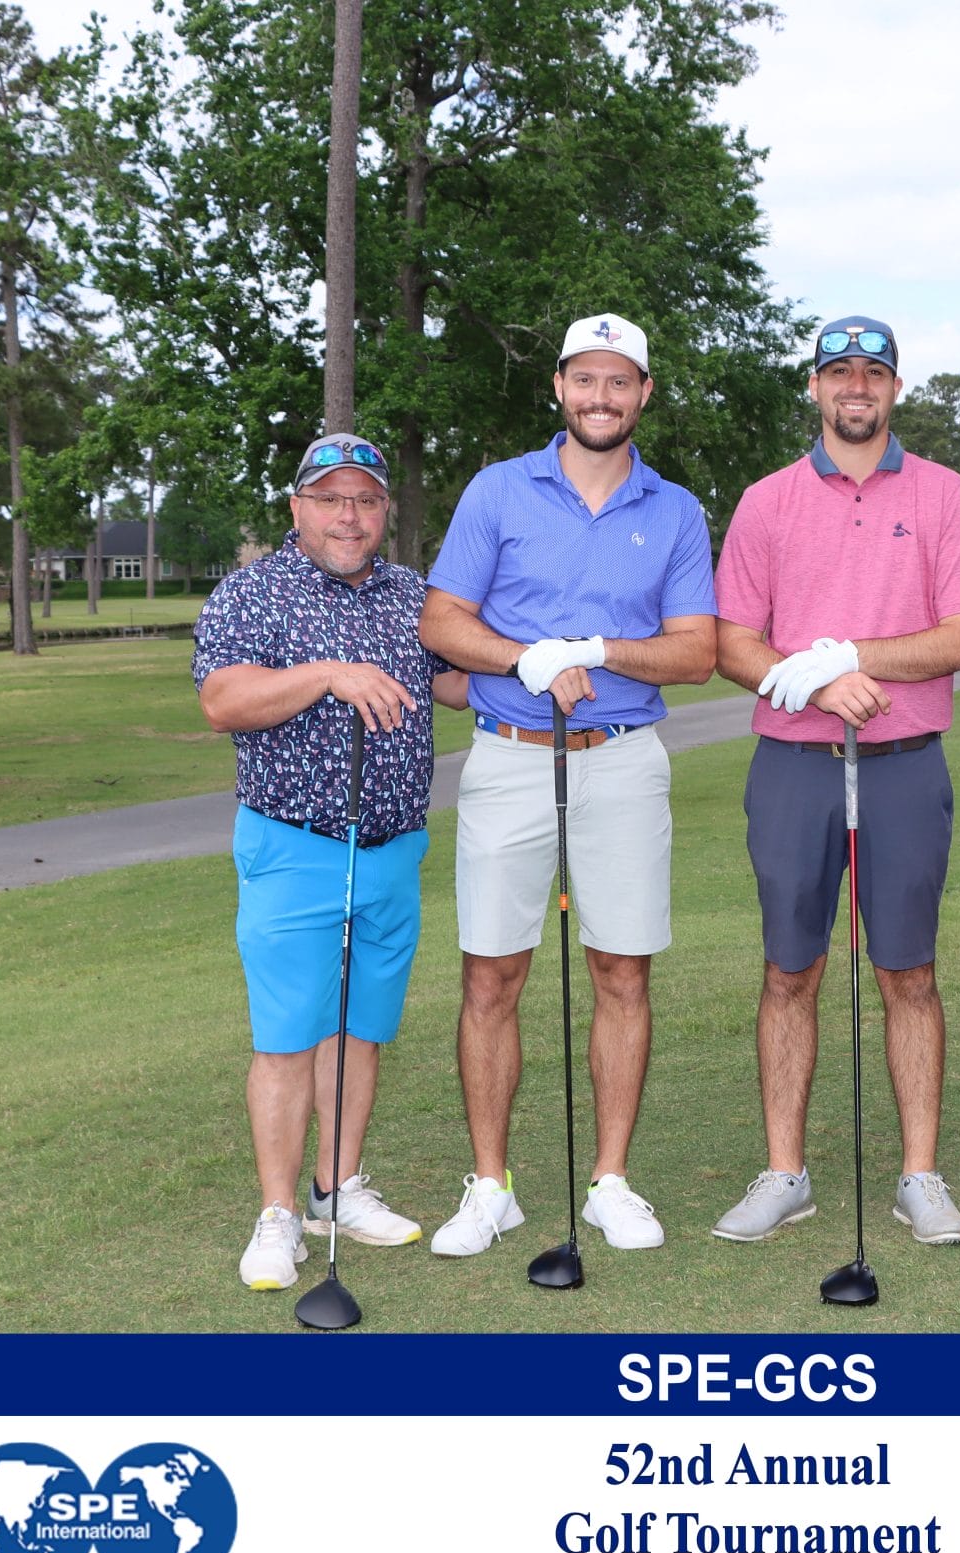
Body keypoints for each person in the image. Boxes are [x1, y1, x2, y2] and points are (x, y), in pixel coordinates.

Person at [416, 313, 717, 1257]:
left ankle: (610, 1181)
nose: (601, 397)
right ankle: (490, 1185)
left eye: (619, 381)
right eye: (585, 379)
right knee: (491, 972)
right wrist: (526, 657)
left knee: (622, 969)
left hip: (622, 758)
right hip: (510, 754)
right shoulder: (499, 490)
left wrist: (595, 649)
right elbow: (441, 620)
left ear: (644, 394)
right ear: (558, 386)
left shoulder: (675, 509)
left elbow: (696, 651)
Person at [708, 315, 960, 1247]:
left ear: (895, 388)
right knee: (789, 970)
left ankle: (920, 1175)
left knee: (908, 972)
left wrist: (850, 656)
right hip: (793, 766)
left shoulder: (944, 493)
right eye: (839, 371)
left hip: (904, 767)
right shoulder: (768, 500)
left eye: (873, 372)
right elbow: (731, 641)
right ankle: (784, 1172)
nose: (856, 387)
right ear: (815, 387)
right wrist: (815, 683)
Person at [194, 432, 468, 1290]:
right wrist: (328, 673)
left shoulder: (412, 594)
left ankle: (336, 1186)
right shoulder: (254, 592)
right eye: (330, 498)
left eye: (366, 500)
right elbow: (223, 699)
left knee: (361, 1028)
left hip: (393, 848)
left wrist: (541, 655)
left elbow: (457, 682)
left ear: (385, 509)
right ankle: (279, 1214)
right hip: (294, 845)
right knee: (287, 1037)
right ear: (298, 507)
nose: (349, 516)